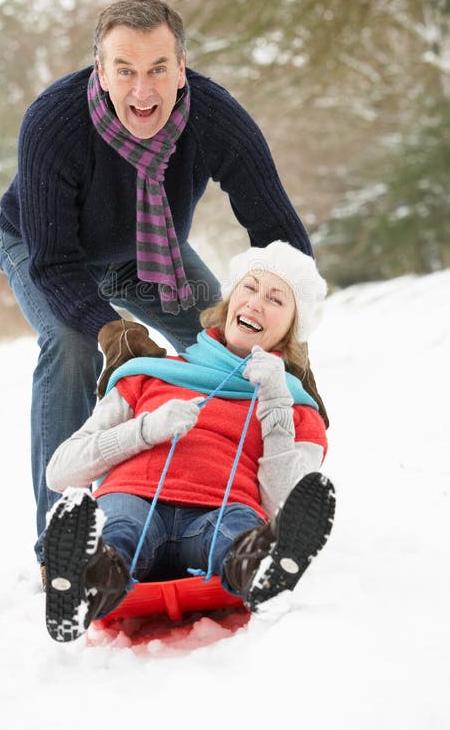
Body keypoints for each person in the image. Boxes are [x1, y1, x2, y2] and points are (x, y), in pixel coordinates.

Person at [0, 0, 315, 566]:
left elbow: (277, 234)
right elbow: (53, 264)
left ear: (182, 66)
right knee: (70, 345)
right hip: (47, 249)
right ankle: (61, 542)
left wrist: (290, 332)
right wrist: (107, 328)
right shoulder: (53, 124)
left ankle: (227, 508)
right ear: (100, 70)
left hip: (147, 252)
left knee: (230, 336)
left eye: (157, 69)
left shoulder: (214, 118)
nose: (143, 91)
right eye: (125, 71)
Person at [42, 241, 336, 643]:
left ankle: (262, 573)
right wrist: (145, 430)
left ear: (291, 328)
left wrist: (276, 406)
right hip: (133, 498)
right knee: (120, 528)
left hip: (223, 514)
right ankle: (87, 580)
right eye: (248, 289)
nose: (255, 304)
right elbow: (61, 471)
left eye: (275, 299)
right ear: (230, 300)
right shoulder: (148, 376)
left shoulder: (298, 411)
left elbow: (282, 504)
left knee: (238, 535)